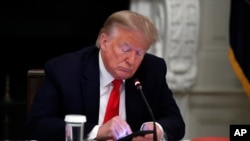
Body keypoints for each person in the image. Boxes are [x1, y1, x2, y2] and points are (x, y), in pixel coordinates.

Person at [25, 10, 185, 141]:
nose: (132, 60)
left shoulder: (152, 69)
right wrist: (97, 131)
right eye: (125, 49)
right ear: (105, 42)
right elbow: (37, 125)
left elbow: (176, 122)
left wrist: (157, 129)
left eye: (139, 53)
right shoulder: (65, 70)